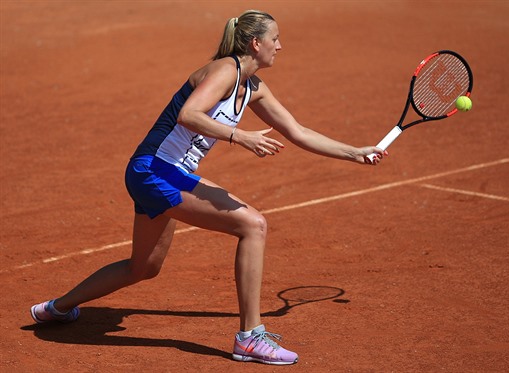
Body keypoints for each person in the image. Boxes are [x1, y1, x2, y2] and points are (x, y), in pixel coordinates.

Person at [30, 10, 387, 365]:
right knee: (253, 225)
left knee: (143, 268)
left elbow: (297, 131)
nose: (281, 45)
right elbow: (189, 114)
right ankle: (249, 337)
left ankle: (55, 308)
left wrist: (355, 153)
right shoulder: (224, 70)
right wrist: (240, 136)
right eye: (275, 39)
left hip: (158, 173)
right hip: (156, 170)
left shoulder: (253, 88)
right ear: (255, 43)